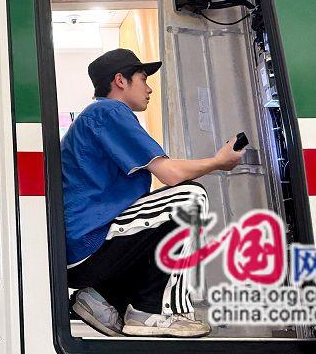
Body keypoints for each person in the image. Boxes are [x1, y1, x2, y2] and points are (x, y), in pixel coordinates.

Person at [62, 48, 243, 338]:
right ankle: (157, 312)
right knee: (189, 198)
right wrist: (218, 162)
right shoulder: (108, 111)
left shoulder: (96, 118)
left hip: (82, 249)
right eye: (143, 79)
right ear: (120, 81)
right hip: (89, 244)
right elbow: (170, 174)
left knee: (157, 220)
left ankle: (102, 297)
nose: (149, 89)